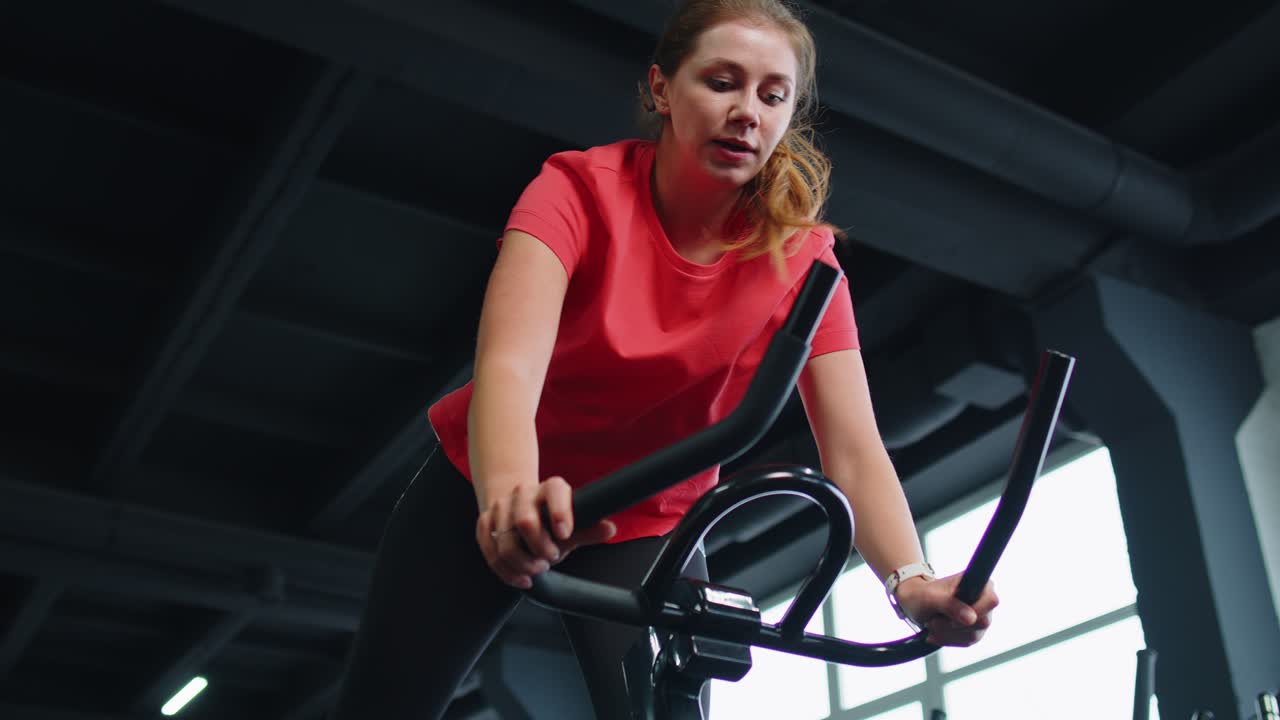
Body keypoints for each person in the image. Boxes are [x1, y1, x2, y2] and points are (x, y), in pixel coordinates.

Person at [329, 1, 1000, 718]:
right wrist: (508, 501)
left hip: (644, 517)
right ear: (660, 89)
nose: (748, 112)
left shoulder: (803, 260)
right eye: (722, 82)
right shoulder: (576, 191)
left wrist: (911, 583)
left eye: (773, 96)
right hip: (489, 485)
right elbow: (509, 370)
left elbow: (855, 449)